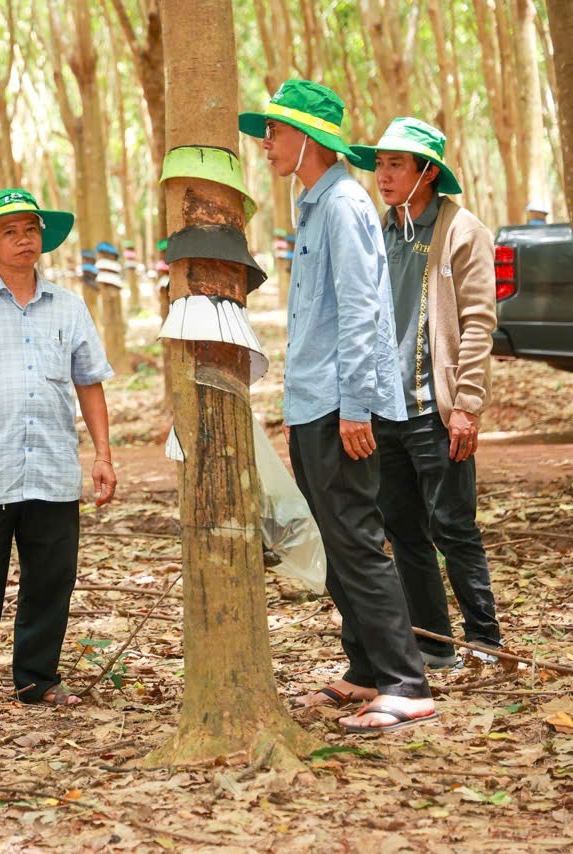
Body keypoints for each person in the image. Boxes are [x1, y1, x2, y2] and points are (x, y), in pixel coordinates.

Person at [239, 80, 436, 733]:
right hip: (312, 403)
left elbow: (362, 312)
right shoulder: (313, 205)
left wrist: (356, 407)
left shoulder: (346, 203)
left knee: (355, 538)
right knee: (332, 539)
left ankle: (406, 683)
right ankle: (366, 668)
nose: (265, 144)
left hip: (340, 405)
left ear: (307, 138)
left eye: (274, 132)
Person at [0, 188, 116, 716]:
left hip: (53, 468)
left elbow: (90, 384)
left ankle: (37, 679)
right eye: (10, 231)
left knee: (51, 580)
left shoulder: (69, 307)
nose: (24, 239)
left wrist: (102, 455)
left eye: (31, 229)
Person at [351, 118, 502, 668]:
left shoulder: (462, 231)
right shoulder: (379, 230)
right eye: (379, 164)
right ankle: (436, 646)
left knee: (453, 526)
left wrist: (466, 405)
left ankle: (484, 641)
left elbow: (479, 322)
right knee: (404, 530)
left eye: (396, 164)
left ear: (428, 172)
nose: (383, 175)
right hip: (385, 409)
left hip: (435, 410)